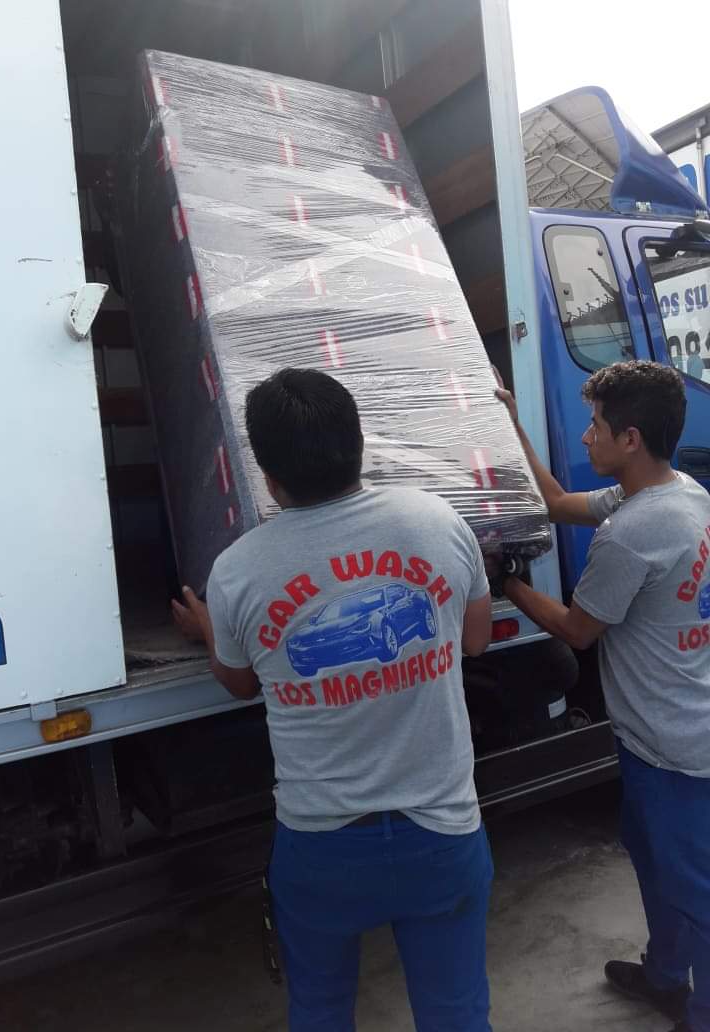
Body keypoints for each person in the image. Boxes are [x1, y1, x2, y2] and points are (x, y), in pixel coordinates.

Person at [172, 367, 494, 1032]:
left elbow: (241, 683)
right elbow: (476, 639)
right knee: (456, 1013)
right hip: (441, 833)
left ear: (267, 477)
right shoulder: (436, 521)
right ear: (359, 446)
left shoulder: (237, 571)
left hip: (321, 845)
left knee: (318, 1011)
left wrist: (209, 629)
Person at [496, 360, 710, 1032]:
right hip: (664, 732)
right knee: (653, 864)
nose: (586, 436)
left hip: (675, 749)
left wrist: (507, 583)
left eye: (595, 426)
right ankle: (665, 977)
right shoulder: (680, 494)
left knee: (696, 892)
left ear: (630, 439)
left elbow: (576, 630)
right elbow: (559, 504)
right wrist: (512, 427)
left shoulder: (630, 533)